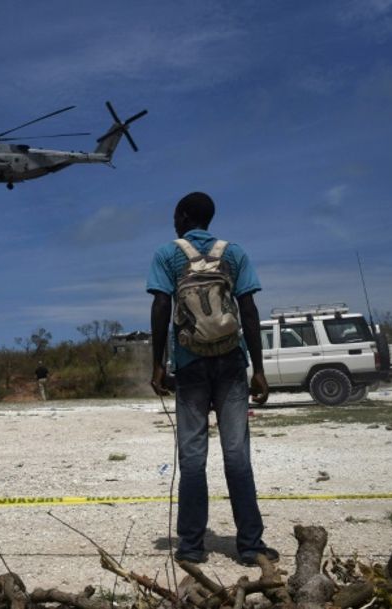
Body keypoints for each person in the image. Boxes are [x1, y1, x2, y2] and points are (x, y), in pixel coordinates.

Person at [147, 191, 278, 565]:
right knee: (237, 455)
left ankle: (190, 546)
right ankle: (250, 545)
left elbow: (160, 306)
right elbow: (249, 311)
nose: (173, 220)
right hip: (231, 365)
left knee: (192, 457)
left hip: (190, 367)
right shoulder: (233, 253)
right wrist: (259, 370)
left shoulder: (167, 254)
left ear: (185, 216)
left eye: (176, 214)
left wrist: (158, 363)